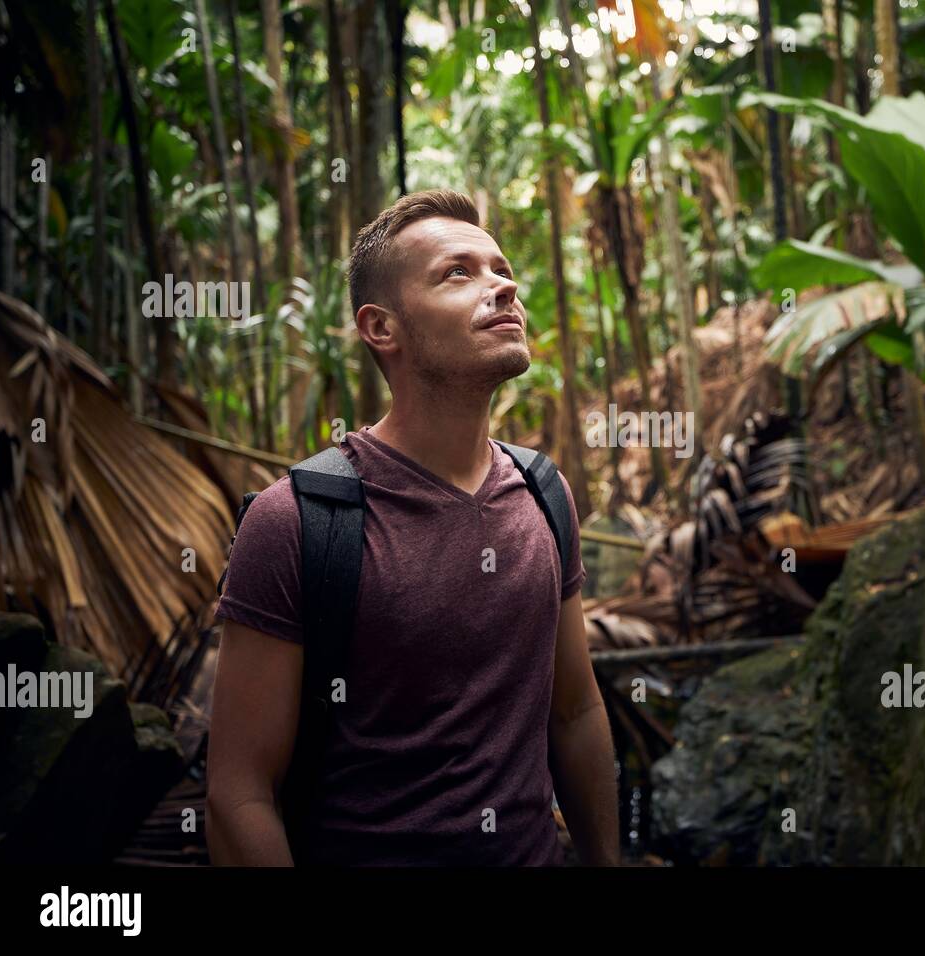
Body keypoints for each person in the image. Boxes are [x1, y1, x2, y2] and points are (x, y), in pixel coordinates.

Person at [206, 189, 621, 866]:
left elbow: (575, 712)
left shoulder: (543, 493)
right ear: (382, 328)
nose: (504, 285)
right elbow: (238, 792)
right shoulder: (298, 521)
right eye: (459, 273)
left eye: (500, 268)